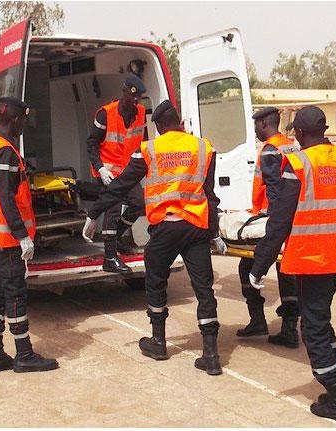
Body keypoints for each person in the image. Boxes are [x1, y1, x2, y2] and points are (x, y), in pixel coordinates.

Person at [82, 100, 228, 375]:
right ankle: (211, 355)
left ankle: (159, 342)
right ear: (181, 124)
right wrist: (214, 232)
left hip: (166, 229)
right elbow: (209, 194)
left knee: (155, 281)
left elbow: (121, 184)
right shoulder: (204, 147)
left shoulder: (149, 149)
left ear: (159, 127)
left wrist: (94, 214)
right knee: (204, 289)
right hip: (196, 228)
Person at [249, 106, 336, 423]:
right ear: (325, 129)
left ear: (299, 134)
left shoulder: (300, 163)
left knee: (312, 327)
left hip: (312, 258)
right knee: (320, 317)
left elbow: (280, 222)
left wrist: (259, 266)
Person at [0, 97, 58, 374]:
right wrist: (23, 236)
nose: (23, 125)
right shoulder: (5, 152)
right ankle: (24, 355)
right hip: (7, 239)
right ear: (16, 120)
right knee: (15, 294)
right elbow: (6, 198)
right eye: (23, 120)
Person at [237, 107, 300, 348]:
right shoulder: (291, 145)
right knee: (287, 274)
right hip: (290, 218)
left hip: (272, 221)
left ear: (264, 123)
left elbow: (274, 191)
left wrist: (274, 226)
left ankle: (258, 320)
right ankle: (289, 329)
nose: (254, 130)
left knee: (247, 266)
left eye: (256, 125)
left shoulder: (271, 150)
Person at [86, 75, 147, 274]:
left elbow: (143, 142)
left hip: (128, 171)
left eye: (138, 98)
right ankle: (110, 257)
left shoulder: (140, 112)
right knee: (113, 209)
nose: (136, 102)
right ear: (124, 92)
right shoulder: (105, 113)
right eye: (133, 97)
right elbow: (92, 143)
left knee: (138, 204)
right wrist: (100, 168)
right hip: (108, 171)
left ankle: (117, 237)